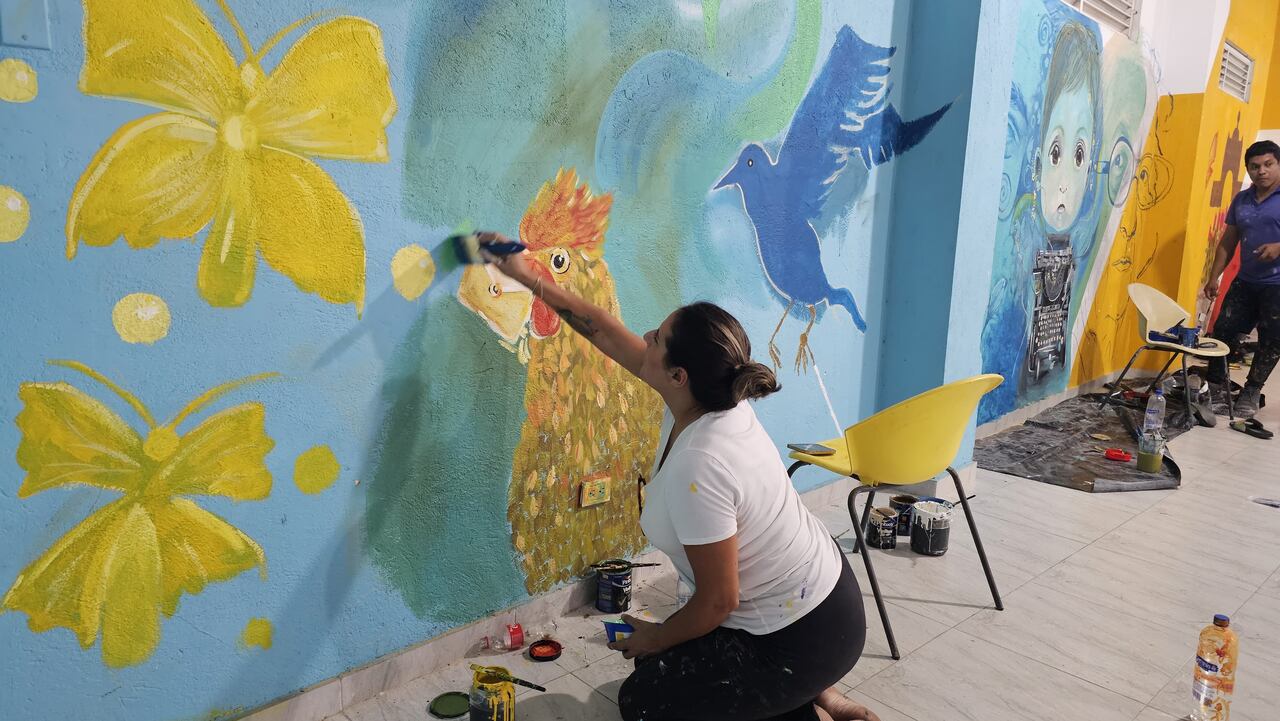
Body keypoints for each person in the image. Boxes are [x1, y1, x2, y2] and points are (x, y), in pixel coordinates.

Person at [483, 239, 878, 721]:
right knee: (687, 671)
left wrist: (654, 637)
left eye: (657, 337)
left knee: (644, 703)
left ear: (678, 376)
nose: (645, 335)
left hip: (807, 630)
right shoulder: (715, 394)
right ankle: (818, 696)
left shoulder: (703, 462)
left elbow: (718, 601)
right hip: (815, 596)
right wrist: (529, 277)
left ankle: (811, 689)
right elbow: (603, 330)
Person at [1203, 139, 1280, 418]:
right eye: (1255, 166)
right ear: (1248, 169)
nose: (1262, 171)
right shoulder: (1242, 200)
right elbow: (1228, 240)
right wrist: (1214, 276)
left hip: (1277, 286)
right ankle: (1214, 387)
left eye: (1268, 164)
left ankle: (1251, 391)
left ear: (1278, 164)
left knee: (1272, 340)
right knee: (1223, 331)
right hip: (1246, 281)